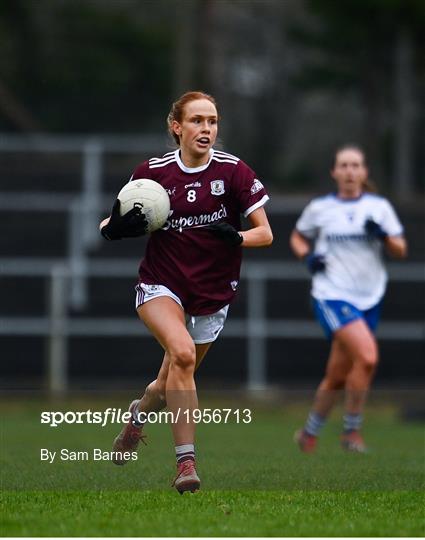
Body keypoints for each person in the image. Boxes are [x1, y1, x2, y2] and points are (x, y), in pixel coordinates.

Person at [99, 91, 273, 492]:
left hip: (212, 294)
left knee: (167, 384)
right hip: (161, 284)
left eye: (212, 121)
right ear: (177, 126)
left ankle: (136, 418)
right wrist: (114, 229)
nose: (206, 129)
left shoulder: (233, 172)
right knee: (181, 354)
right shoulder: (153, 172)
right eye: (197, 121)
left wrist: (237, 236)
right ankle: (186, 464)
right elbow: (111, 221)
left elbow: (265, 233)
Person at [290, 144, 407, 453]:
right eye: (344, 165)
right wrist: (308, 257)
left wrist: (382, 235)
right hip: (332, 295)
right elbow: (297, 236)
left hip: (370, 297)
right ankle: (351, 433)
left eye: (356, 165)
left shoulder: (379, 208)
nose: (350, 171)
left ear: (364, 172)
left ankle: (308, 433)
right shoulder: (320, 208)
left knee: (337, 375)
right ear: (334, 172)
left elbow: (400, 249)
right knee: (367, 357)